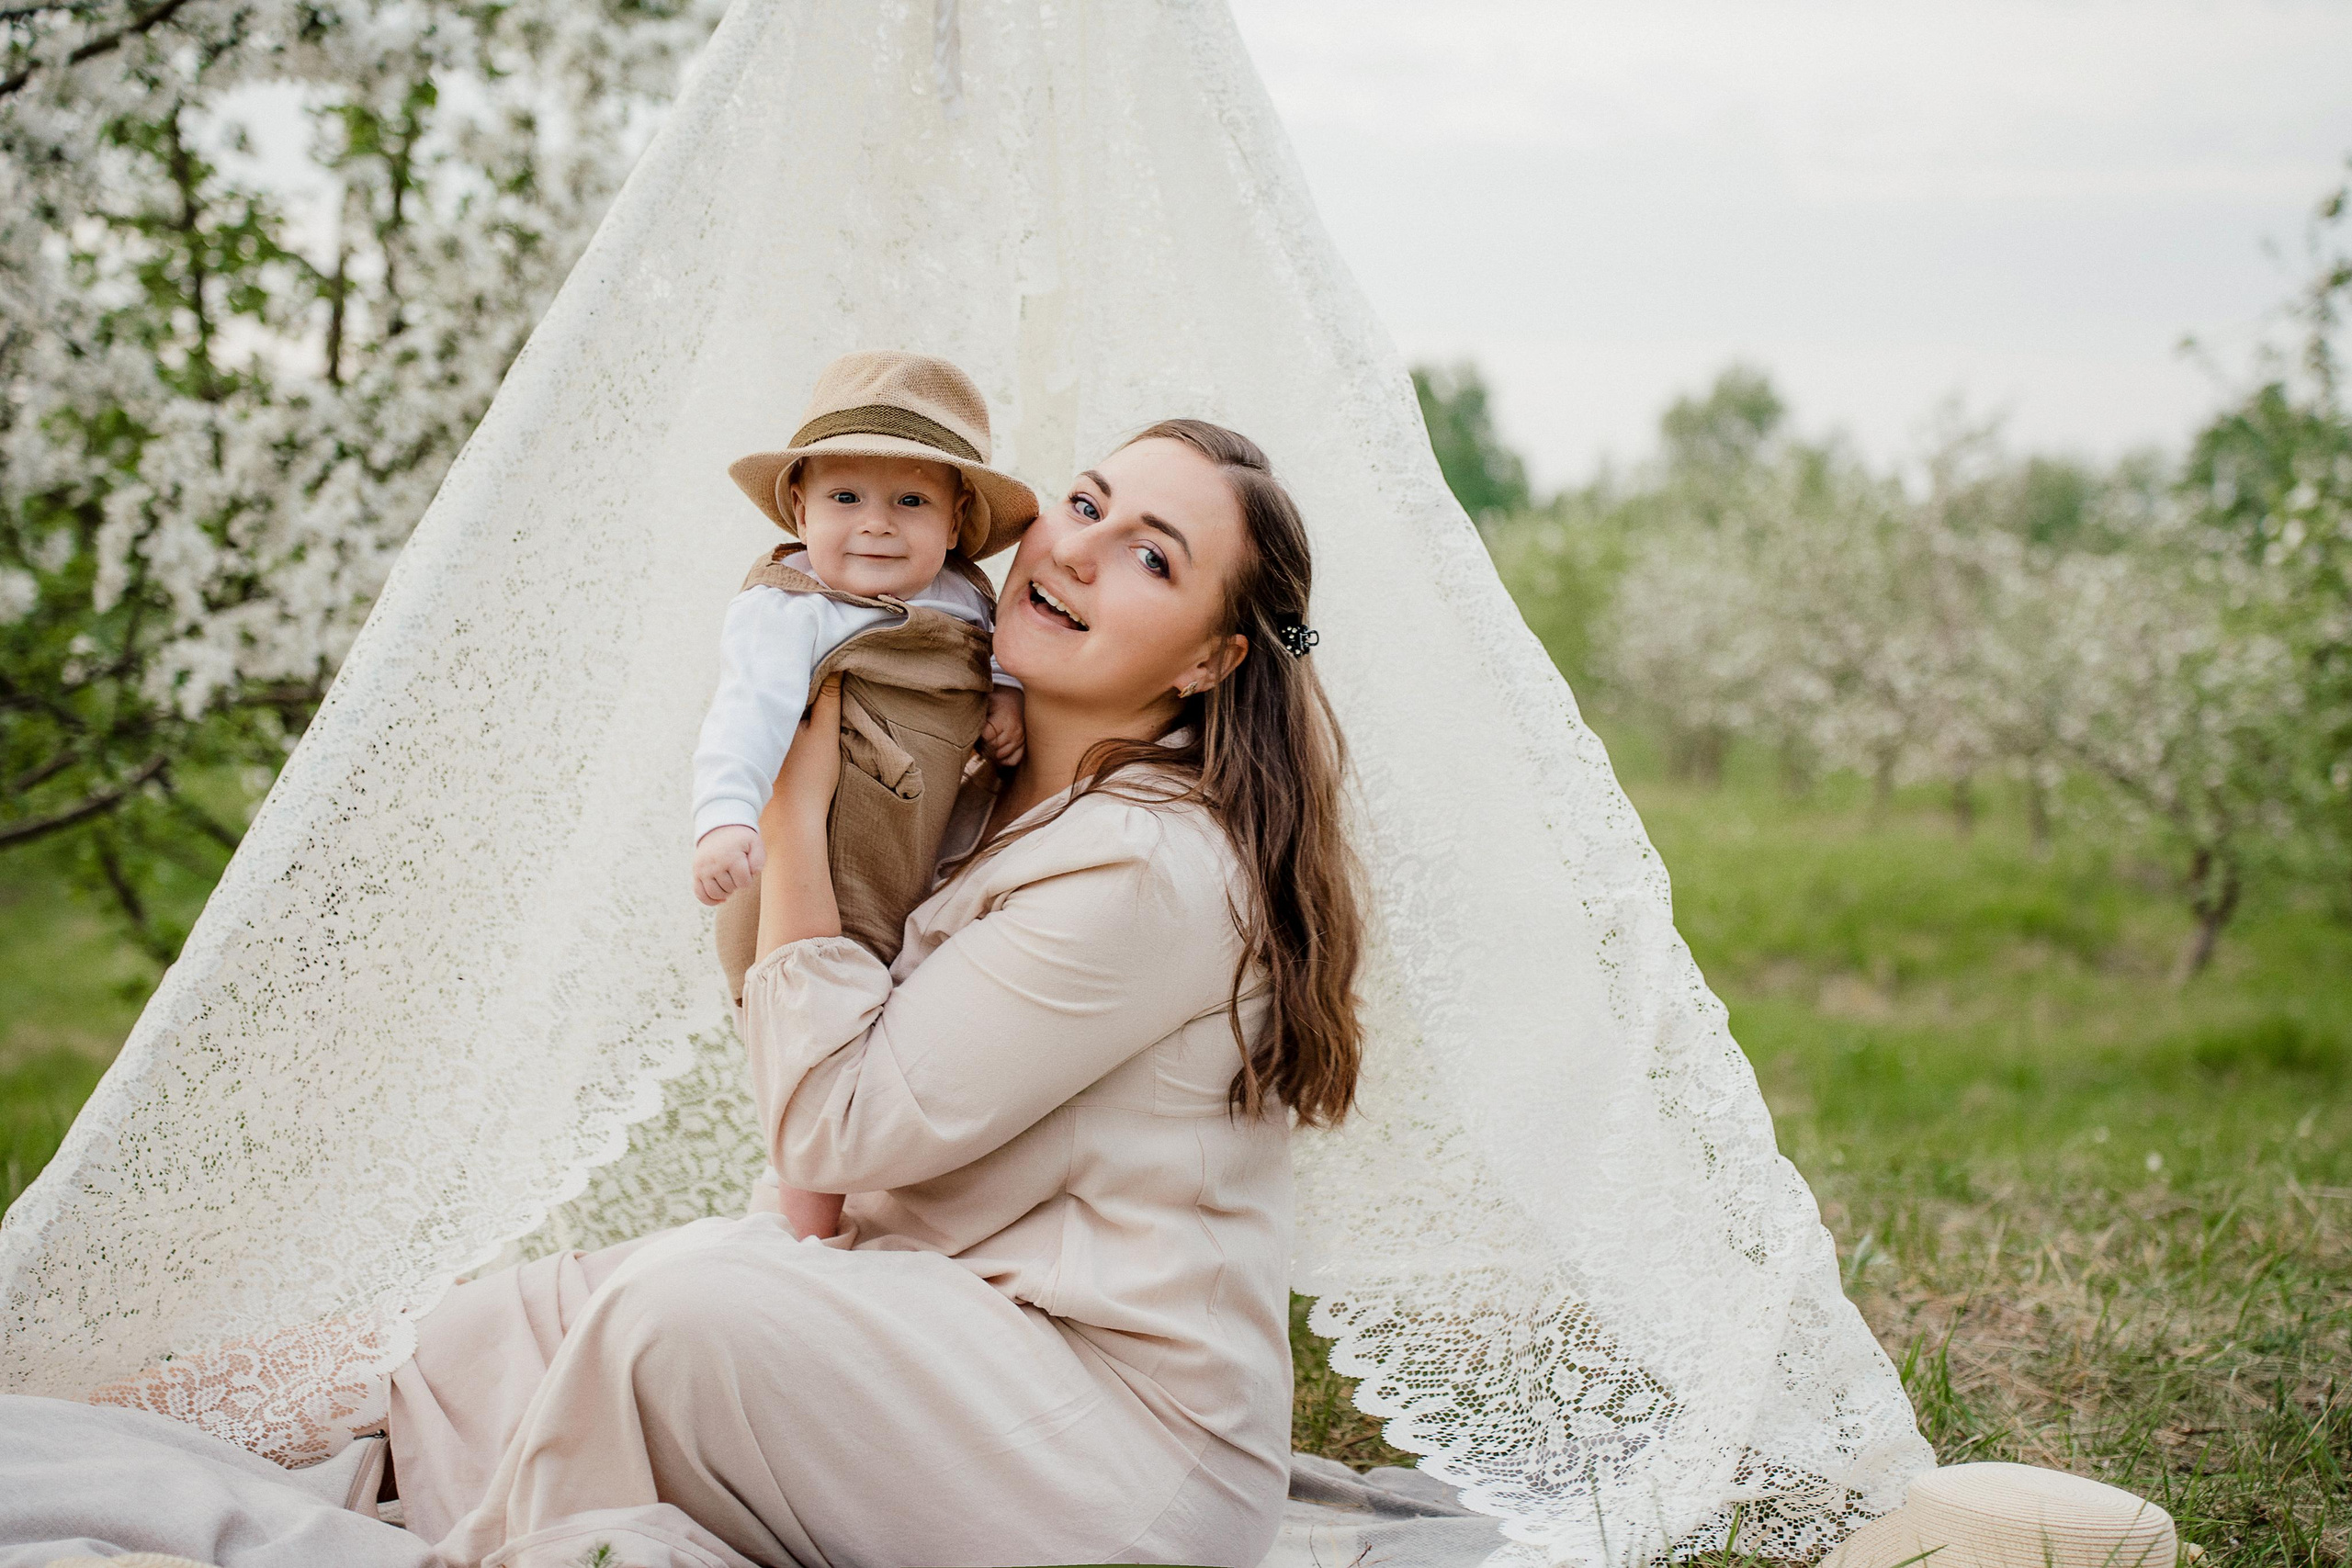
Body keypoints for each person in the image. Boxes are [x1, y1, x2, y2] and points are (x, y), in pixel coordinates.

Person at [374, 418, 1365, 1567]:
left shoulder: (1143, 868)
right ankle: (153, 1414)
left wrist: (796, 807)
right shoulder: (974, 791)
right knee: (472, 1338)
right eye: (1086, 507)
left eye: (1154, 557)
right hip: (924, 1319)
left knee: (666, 1324)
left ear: (1209, 661)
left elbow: (831, 1127)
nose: (1083, 553)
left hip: (1107, 1439)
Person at [690, 348, 1039, 1245]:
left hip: (906, 860)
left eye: (909, 501)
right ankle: (806, 1232)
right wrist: (725, 820)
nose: (876, 527)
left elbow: (1000, 650)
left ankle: (858, 1206)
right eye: (845, 499)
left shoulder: (967, 594)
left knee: (883, 1040)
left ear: (958, 519)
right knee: (805, 1039)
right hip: (805, 875)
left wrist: (1003, 694)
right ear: (798, 507)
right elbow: (748, 717)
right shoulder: (789, 609)